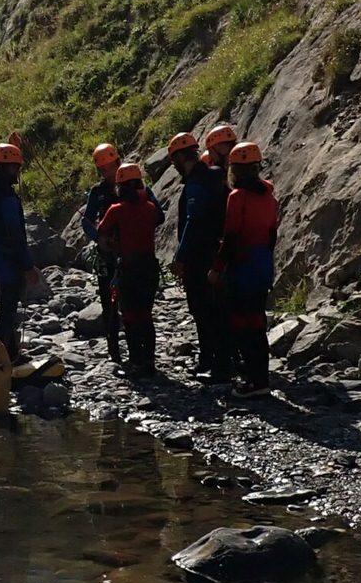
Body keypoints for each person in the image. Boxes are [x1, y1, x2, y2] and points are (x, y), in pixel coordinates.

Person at [209, 141, 279, 397]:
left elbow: (231, 237)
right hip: (262, 263)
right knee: (257, 323)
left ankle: (251, 380)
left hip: (243, 265)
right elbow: (272, 234)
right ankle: (262, 379)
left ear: (235, 170)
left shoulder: (237, 197)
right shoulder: (269, 196)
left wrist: (217, 268)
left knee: (241, 322)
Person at [169, 124, 235, 381]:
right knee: (217, 309)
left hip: (200, 257)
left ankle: (218, 366)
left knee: (204, 311)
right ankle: (212, 361)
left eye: (174, 159)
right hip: (218, 253)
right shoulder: (216, 175)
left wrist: (180, 257)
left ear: (178, 158)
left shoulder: (196, 183)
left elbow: (193, 221)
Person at [96, 161, 164, 377]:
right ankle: (149, 361)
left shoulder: (116, 210)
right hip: (149, 267)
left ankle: (136, 362)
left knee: (131, 317)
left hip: (129, 267)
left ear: (120, 187)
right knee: (146, 315)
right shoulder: (151, 208)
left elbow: (102, 230)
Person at [0, 139, 36, 363]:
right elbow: (16, 235)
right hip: (8, 256)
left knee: (7, 305)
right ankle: (0, 357)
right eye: (15, 167)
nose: (17, 172)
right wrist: (28, 265)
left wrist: (12, 146)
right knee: (8, 309)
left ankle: (9, 353)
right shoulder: (6, 196)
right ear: (4, 168)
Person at [80, 142, 125, 364]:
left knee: (132, 302)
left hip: (130, 250)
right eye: (103, 169)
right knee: (109, 302)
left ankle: (139, 350)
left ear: (118, 162)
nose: (107, 172)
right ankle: (113, 348)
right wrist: (99, 238)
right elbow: (86, 221)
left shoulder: (132, 185)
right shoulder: (97, 192)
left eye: (110, 167)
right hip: (106, 251)